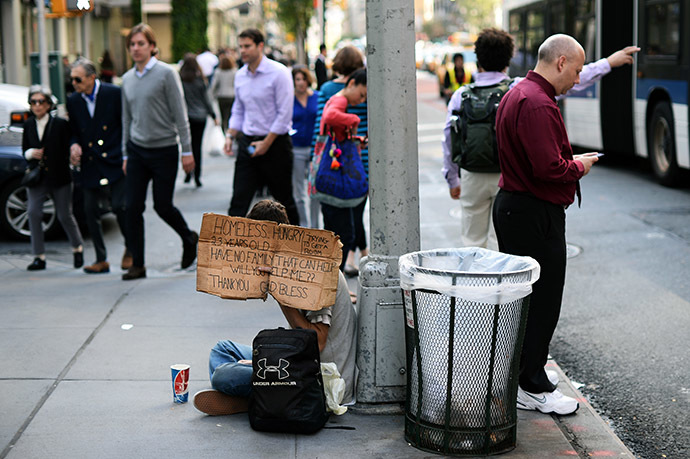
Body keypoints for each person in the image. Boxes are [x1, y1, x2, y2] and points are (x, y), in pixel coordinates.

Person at [442, 28, 640, 250]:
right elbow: (572, 80)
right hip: (507, 175)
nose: (575, 78)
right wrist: (608, 63)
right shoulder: (517, 88)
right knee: (500, 247)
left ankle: (473, 283)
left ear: (478, 58)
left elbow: (450, 136)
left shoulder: (462, 94)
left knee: (472, 242)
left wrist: (452, 178)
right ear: (508, 59)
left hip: (472, 175)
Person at [492, 34, 601, 415]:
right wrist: (580, 165)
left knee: (527, 301)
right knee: (542, 301)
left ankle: (525, 376)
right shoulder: (538, 103)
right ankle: (532, 385)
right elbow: (549, 168)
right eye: (577, 68)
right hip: (533, 212)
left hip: (516, 207)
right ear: (560, 62)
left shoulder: (518, 93)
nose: (578, 77)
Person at [192, 200, 358, 415]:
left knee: (224, 375)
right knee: (223, 349)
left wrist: (279, 294)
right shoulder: (287, 264)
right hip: (298, 362)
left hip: (323, 381)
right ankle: (264, 397)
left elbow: (317, 343)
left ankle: (255, 401)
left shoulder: (316, 273)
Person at [120, 23, 198, 280]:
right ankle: (138, 264)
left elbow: (180, 115)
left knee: (163, 206)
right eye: (132, 44)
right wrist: (124, 153)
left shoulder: (166, 74)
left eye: (141, 43)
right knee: (132, 207)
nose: (136, 48)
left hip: (164, 149)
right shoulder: (128, 78)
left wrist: (187, 151)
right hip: (137, 151)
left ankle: (189, 238)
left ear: (152, 46)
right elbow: (126, 119)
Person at [223, 29, 299, 225]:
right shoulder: (240, 75)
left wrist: (266, 143)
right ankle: (232, 252)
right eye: (240, 47)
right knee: (238, 203)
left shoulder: (279, 73)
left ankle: (297, 251)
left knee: (284, 203)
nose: (243, 51)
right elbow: (238, 109)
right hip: (248, 142)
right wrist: (230, 136)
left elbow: (284, 114)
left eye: (247, 46)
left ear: (260, 46)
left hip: (276, 143)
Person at [66, 57, 131, 274]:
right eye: (72, 79)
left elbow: (125, 124)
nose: (74, 83)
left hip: (114, 158)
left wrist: (125, 155)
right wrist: (74, 144)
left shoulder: (113, 93)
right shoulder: (74, 100)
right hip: (90, 162)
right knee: (89, 209)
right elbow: (73, 130)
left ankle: (130, 250)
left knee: (121, 207)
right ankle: (101, 259)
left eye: (78, 79)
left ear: (92, 77)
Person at [310, 46, 369, 275]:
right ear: (353, 82)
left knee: (342, 227)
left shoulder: (328, 90)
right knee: (344, 227)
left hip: (341, 161)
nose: (362, 100)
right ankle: (339, 277)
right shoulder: (342, 100)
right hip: (345, 165)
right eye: (361, 95)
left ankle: (341, 275)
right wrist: (353, 120)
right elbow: (329, 117)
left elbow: (322, 126)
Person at [23, 86, 84, 271]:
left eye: (41, 101)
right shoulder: (28, 124)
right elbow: (24, 149)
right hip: (37, 177)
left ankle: (77, 248)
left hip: (59, 176)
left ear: (49, 104)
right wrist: (31, 153)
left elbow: (71, 141)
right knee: (33, 213)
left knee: (65, 215)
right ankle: (38, 256)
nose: (37, 105)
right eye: (34, 102)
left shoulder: (59, 124)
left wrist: (73, 152)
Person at [179, 53, 219, 188]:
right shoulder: (200, 80)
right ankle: (197, 176)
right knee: (197, 146)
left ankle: (187, 173)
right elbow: (206, 100)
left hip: (185, 118)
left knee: (187, 146)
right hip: (200, 117)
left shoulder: (180, 81)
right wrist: (213, 115)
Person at [291, 65, 319, 227]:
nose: (300, 83)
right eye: (297, 79)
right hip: (296, 148)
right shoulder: (288, 98)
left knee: (315, 191)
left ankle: (315, 228)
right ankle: (304, 225)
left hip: (315, 149)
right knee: (299, 192)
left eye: (303, 79)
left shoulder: (317, 96)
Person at [209, 54, 237, 135]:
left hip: (221, 96)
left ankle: (224, 132)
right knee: (230, 115)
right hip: (232, 95)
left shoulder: (218, 72)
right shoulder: (234, 71)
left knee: (223, 115)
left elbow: (214, 85)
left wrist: (212, 95)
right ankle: (229, 130)